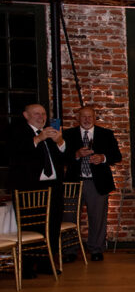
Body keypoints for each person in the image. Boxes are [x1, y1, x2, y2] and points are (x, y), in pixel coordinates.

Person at [6, 103, 65, 278]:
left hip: (52, 187)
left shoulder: (51, 132)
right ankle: (26, 266)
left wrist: (59, 141)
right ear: (26, 115)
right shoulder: (17, 131)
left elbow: (66, 158)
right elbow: (14, 154)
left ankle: (45, 262)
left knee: (52, 226)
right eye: (37, 114)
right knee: (30, 226)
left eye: (44, 114)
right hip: (29, 188)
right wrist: (39, 138)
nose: (41, 117)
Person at [61, 106, 123, 261]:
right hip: (74, 182)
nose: (87, 120)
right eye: (83, 117)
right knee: (69, 217)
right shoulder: (68, 135)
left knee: (97, 217)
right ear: (78, 118)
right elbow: (60, 158)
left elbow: (117, 155)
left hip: (97, 182)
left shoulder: (106, 134)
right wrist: (76, 155)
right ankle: (70, 251)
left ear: (95, 118)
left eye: (90, 117)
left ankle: (96, 249)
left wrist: (102, 158)